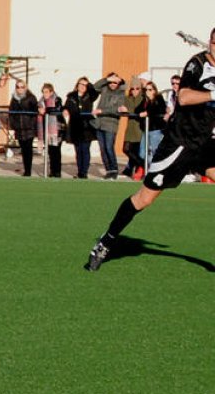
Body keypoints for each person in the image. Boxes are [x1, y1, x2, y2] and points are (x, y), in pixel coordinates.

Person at [85, 27, 215, 271]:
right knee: (144, 199)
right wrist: (212, 93)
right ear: (210, 42)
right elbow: (185, 97)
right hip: (179, 144)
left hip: (205, 143)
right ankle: (106, 241)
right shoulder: (196, 64)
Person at [91, 72, 126, 180]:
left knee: (109, 147)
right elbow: (94, 87)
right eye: (111, 82)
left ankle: (114, 170)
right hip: (100, 124)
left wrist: (102, 111)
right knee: (102, 149)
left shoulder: (121, 93)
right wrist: (106, 79)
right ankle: (108, 170)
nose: (112, 84)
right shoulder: (104, 89)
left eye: (115, 82)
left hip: (111, 124)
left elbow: (117, 111)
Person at [63, 77, 98, 179]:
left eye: (85, 85)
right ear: (77, 85)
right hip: (75, 126)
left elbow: (95, 92)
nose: (83, 87)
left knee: (85, 149)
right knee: (78, 151)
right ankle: (79, 171)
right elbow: (66, 106)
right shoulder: (71, 97)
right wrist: (65, 110)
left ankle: (84, 172)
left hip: (87, 126)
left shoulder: (90, 96)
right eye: (81, 84)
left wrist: (89, 84)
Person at [9, 79, 39, 177]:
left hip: (29, 127)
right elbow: (11, 113)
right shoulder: (14, 98)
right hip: (19, 127)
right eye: (18, 87)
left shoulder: (31, 97)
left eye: (22, 87)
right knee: (23, 149)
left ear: (25, 87)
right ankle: (26, 168)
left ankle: (28, 170)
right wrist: (13, 124)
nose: (20, 89)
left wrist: (32, 124)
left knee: (28, 149)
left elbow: (35, 111)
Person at [37, 83, 65, 178]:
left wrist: (46, 110)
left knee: (56, 151)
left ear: (51, 92)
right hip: (46, 129)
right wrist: (39, 109)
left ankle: (57, 171)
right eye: (43, 92)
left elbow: (58, 109)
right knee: (50, 152)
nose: (45, 94)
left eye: (46, 92)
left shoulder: (57, 99)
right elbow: (38, 109)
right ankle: (52, 171)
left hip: (57, 129)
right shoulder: (41, 102)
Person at [121, 80, 147, 180]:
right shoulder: (128, 99)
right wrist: (122, 110)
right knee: (126, 149)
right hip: (130, 128)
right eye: (132, 89)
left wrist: (128, 111)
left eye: (137, 88)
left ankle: (137, 169)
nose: (134, 91)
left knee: (135, 150)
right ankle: (142, 166)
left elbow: (139, 111)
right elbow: (125, 111)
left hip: (139, 128)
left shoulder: (143, 98)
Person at [140, 81, 167, 165]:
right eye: (146, 90)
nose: (147, 92)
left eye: (150, 90)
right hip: (147, 129)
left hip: (156, 130)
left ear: (154, 90)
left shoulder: (159, 98)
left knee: (156, 152)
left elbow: (160, 109)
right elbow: (137, 110)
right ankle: (152, 168)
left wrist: (148, 113)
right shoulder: (145, 101)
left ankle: (156, 170)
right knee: (142, 153)